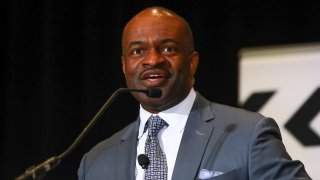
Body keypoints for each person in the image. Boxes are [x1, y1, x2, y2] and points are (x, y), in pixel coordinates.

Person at [78, 6, 311, 180]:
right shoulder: (96, 162)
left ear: (192, 62)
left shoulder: (248, 134)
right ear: (124, 66)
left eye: (168, 48)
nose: (152, 60)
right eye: (138, 51)